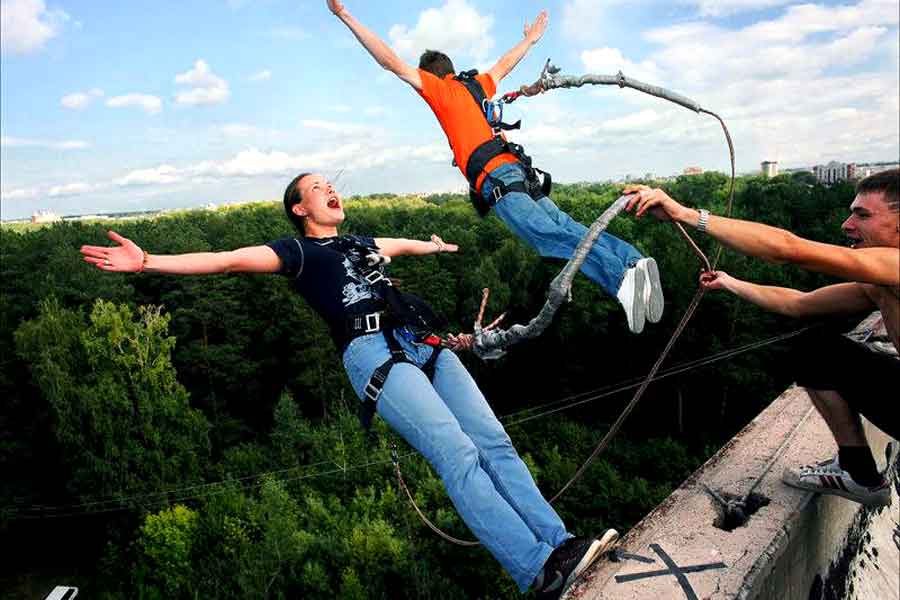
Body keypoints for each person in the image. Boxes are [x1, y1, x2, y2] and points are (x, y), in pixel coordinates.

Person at [80, 172, 619, 599]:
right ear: (299, 208)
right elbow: (226, 261)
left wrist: (434, 247)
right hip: (375, 355)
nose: (331, 189)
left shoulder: (359, 242)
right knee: (458, 455)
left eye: (330, 184)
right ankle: (538, 573)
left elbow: (400, 246)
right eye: (317, 187)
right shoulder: (299, 254)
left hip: (422, 342)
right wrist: (148, 261)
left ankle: (562, 545)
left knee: (495, 443)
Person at [325, 0, 664, 334]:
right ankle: (633, 260)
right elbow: (505, 63)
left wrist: (344, 15)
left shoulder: (440, 90)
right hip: (521, 174)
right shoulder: (477, 86)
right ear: (452, 67)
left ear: (431, 74)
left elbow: (389, 62)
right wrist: (531, 39)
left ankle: (622, 279)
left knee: (548, 237)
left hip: (499, 179)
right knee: (568, 227)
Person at [623, 168, 899, 507]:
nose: (847, 224)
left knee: (819, 351)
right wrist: (731, 283)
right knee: (817, 350)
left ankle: (861, 477)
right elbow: (800, 304)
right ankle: (859, 474)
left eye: (862, 214)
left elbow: (788, 248)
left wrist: (685, 214)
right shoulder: (879, 284)